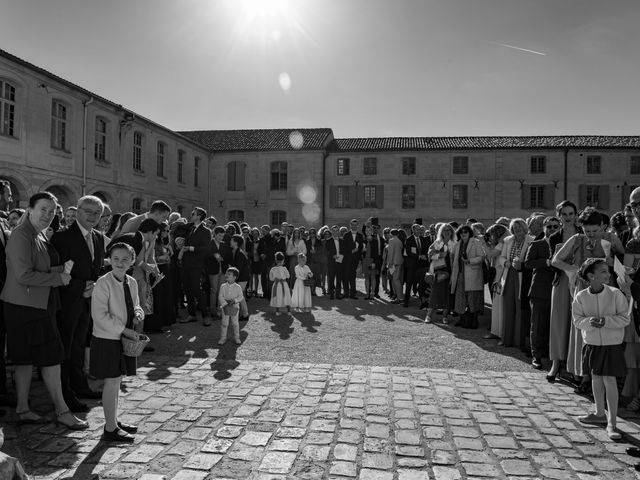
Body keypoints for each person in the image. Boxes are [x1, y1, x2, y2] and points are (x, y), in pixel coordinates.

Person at [1, 192, 87, 429]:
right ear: (30, 209)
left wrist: (61, 269)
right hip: (26, 306)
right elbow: (23, 275)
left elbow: (39, 267)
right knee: (51, 358)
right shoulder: (22, 235)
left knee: (26, 359)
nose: (48, 215)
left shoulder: (35, 234)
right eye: (43, 209)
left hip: (34, 304)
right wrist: (59, 277)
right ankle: (62, 410)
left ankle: (23, 409)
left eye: (52, 211)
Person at [52, 195, 107, 411]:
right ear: (78, 211)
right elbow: (55, 272)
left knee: (78, 346)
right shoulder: (61, 237)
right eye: (88, 211)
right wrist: (80, 287)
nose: (92, 216)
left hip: (87, 303)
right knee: (65, 348)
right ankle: (65, 394)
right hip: (67, 302)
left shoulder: (98, 238)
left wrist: (96, 286)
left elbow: (98, 269)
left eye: (97, 213)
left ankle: (79, 386)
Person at [552, 207, 613, 391]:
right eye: (588, 231)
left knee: (600, 331)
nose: (592, 235)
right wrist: (576, 271)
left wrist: (611, 264)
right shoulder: (577, 239)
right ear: (582, 228)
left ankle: (599, 374)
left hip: (603, 289)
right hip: (582, 289)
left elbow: (622, 260)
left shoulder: (609, 239)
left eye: (595, 231)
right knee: (582, 331)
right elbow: (556, 260)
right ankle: (583, 375)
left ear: (602, 227)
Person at [90, 242, 144, 442]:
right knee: (111, 383)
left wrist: (138, 313)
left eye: (125, 259)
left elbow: (136, 304)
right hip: (107, 339)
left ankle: (113, 420)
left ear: (132, 261)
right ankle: (110, 428)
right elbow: (99, 315)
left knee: (117, 380)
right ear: (109, 260)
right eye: (116, 259)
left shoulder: (132, 281)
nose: (120, 263)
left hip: (124, 338)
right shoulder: (103, 283)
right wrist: (124, 329)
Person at [573, 258, 629, 440]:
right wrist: (589, 322)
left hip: (612, 344)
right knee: (596, 378)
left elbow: (624, 318)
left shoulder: (615, 294)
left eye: (607, 271)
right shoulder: (581, 296)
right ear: (591, 276)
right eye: (603, 271)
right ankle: (599, 413)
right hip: (592, 343)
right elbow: (577, 320)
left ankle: (612, 422)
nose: (608, 274)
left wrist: (606, 321)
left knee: (609, 380)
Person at [547, 200, 581, 381]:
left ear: (576, 215)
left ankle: (575, 366)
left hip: (580, 284)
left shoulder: (583, 235)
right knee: (558, 323)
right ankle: (556, 363)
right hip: (560, 282)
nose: (568, 217)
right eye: (564, 214)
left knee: (576, 324)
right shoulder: (554, 237)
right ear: (559, 216)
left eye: (571, 214)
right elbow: (552, 264)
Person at [524, 216, 560, 369]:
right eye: (549, 226)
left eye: (555, 227)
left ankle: (554, 357)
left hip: (557, 289)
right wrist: (546, 262)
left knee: (555, 326)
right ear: (544, 228)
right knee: (538, 325)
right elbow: (527, 263)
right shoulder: (537, 244)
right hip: (539, 290)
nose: (552, 229)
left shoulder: (562, 244)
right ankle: (536, 356)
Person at [497, 218, 534, 347]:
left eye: (519, 227)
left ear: (525, 228)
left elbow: (531, 261)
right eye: (514, 227)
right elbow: (501, 257)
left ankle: (519, 341)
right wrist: (505, 263)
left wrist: (521, 265)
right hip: (508, 275)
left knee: (520, 309)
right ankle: (506, 339)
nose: (517, 229)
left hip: (522, 277)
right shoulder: (508, 241)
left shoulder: (531, 241)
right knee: (508, 307)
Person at [178, 208, 211, 325]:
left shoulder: (206, 231)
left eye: (193, 214)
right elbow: (179, 228)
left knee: (197, 290)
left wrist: (191, 248)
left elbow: (207, 248)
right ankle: (191, 314)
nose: (191, 215)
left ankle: (205, 315)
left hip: (196, 265)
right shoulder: (191, 228)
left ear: (199, 216)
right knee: (187, 290)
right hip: (186, 264)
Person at [450, 225, 485, 329]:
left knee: (472, 298)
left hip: (472, 274)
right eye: (461, 232)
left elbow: (482, 257)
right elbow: (453, 258)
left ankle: (474, 321)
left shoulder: (476, 242)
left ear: (470, 232)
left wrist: (470, 261)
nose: (463, 233)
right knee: (460, 298)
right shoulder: (457, 244)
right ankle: (461, 319)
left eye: (466, 231)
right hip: (460, 274)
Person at [425, 223, 455, 324]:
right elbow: (429, 255)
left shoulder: (455, 243)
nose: (446, 232)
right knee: (434, 294)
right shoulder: (437, 242)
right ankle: (429, 315)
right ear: (441, 232)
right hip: (438, 272)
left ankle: (445, 317)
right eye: (444, 230)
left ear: (451, 232)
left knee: (447, 295)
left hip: (450, 272)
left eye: (448, 230)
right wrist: (441, 255)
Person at [218, 267, 244, 345]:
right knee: (224, 323)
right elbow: (220, 296)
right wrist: (224, 304)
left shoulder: (238, 287)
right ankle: (223, 337)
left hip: (235, 308)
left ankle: (237, 337)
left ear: (234, 277)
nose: (226, 275)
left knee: (235, 323)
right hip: (225, 307)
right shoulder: (223, 286)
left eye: (229, 274)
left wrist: (235, 301)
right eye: (226, 273)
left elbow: (241, 296)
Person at [343, 219, 364, 299]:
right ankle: (346, 293)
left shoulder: (360, 236)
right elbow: (344, 248)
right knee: (346, 276)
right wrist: (351, 250)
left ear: (357, 226)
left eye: (356, 225)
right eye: (353, 225)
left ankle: (352, 294)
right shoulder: (346, 235)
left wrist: (359, 259)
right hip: (347, 259)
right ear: (350, 225)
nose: (354, 226)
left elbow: (361, 247)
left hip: (355, 260)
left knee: (353, 277)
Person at [326, 225, 345, 300]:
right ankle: (331, 294)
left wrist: (341, 257)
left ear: (338, 231)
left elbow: (344, 251)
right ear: (331, 231)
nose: (335, 232)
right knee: (331, 278)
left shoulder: (342, 241)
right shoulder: (328, 241)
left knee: (339, 279)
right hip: (331, 262)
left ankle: (338, 294)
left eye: (337, 230)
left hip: (339, 262)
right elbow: (326, 252)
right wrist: (332, 256)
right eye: (333, 230)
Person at [386, 229, 404, 304]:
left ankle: (399, 297)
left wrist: (389, 264)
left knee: (395, 280)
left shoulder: (391, 240)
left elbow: (390, 253)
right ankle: (398, 296)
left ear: (391, 234)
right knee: (396, 279)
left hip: (393, 263)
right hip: (399, 262)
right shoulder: (399, 241)